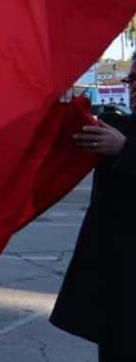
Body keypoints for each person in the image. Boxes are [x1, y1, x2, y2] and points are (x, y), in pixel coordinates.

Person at [51, 66, 136, 362]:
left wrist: (125, 151)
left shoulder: (121, 137)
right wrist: (59, 101)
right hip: (118, 281)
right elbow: (68, 131)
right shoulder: (117, 125)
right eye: (131, 79)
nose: (133, 86)